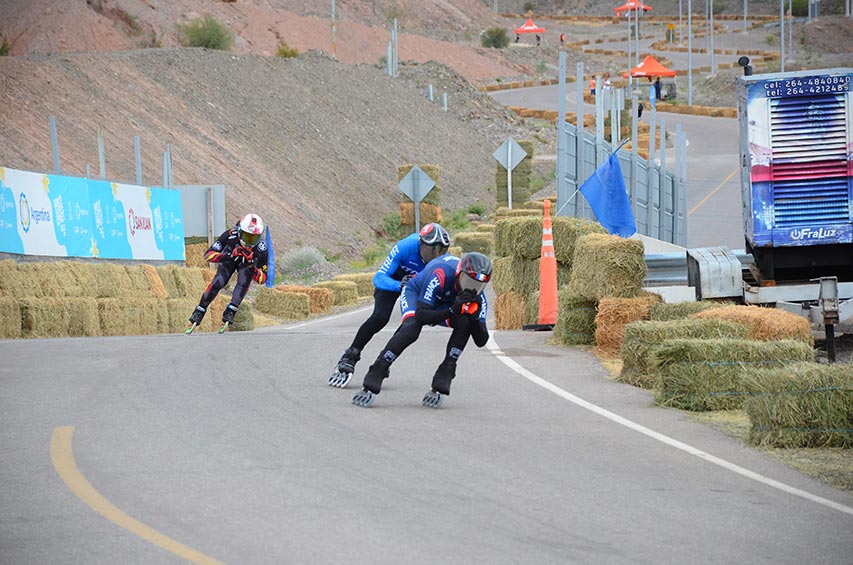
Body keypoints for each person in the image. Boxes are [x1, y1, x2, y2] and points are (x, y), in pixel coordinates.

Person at [351, 252, 492, 409]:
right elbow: (422, 316)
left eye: (478, 286)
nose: (471, 289)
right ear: (459, 273)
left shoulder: (479, 297)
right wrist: (452, 310)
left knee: (465, 321)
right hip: (417, 294)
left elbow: (481, 341)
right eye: (467, 281)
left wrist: (474, 318)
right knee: (411, 328)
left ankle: (447, 369)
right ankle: (379, 368)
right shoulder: (441, 273)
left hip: (446, 304)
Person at [328, 223, 451, 387]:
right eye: (432, 249)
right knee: (380, 317)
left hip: (416, 286)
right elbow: (378, 278)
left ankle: (384, 359)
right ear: (421, 243)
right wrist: (399, 285)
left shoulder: (442, 260)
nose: (436, 255)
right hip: (395, 280)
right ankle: (351, 354)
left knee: (412, 323)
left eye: (441, 250)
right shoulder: (406, 246)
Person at [187, 213, 269, 330]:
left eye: (254, 238)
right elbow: (208, 255)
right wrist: (230, 255)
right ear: (240, 232)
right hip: (229, 258)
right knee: (220, 280)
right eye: (247, 237)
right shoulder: (231, 234)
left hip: (246, 265)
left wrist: (251, 265)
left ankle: (232, 309)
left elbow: (263, 279)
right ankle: (200, 309)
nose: (250, 242)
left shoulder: (262, 247)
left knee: (244, 279)